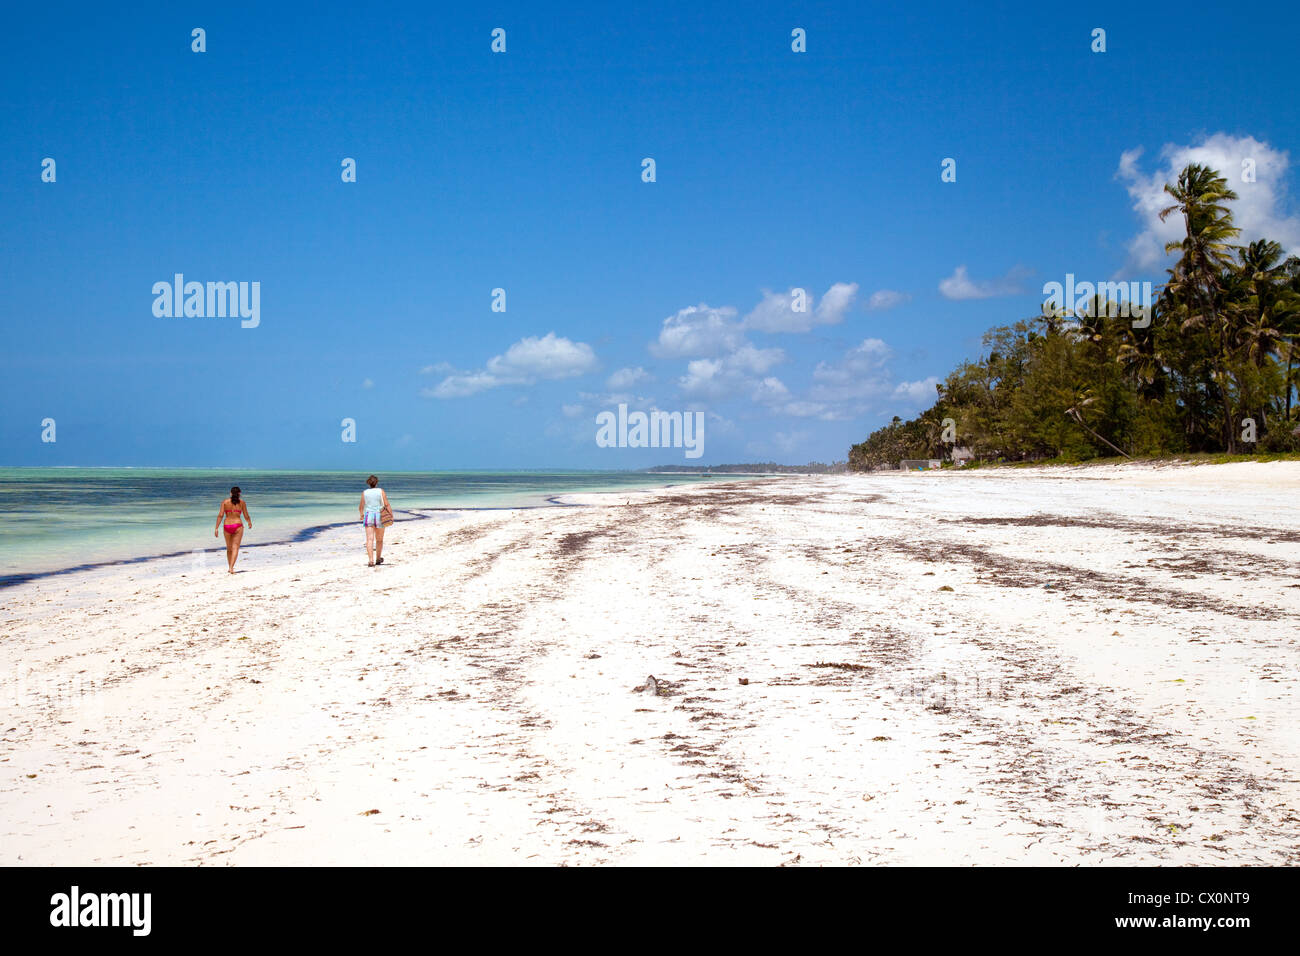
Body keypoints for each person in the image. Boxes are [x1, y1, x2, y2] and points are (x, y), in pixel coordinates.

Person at [214, 485, 251, 573]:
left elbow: (220, 515)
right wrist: (249, 522)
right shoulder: (242, 503)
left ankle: (230, 566)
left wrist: (216, 528)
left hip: (227, 525)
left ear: (230, 493)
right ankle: (231, 567)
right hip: (238, 525)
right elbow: (246, 515)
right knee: (235, 547)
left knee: (229, 548)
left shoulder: (225, 502)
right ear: (239, 493)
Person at [358, 475, 391, 567]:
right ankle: (378, 559)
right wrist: (391, 515)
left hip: (368, 516)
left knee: (369, 539)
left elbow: (361, 507)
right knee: (379, 539)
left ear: (368, 483)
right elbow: (387, 504)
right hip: (379, 515)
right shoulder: (381, 491)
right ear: (376, 482)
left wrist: (361, 515)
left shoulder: (365, 492)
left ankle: (371, 560)